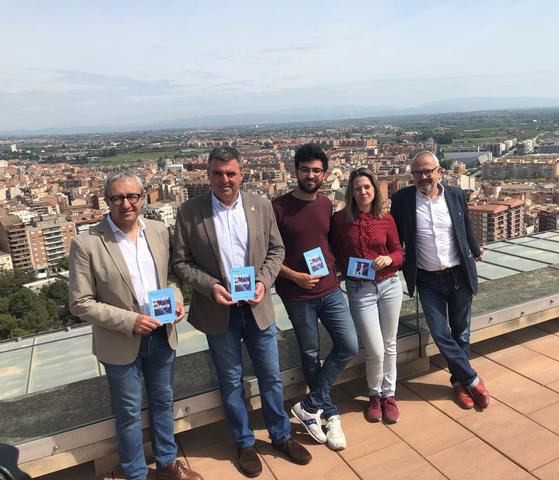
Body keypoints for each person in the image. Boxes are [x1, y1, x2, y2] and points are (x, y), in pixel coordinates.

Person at [172, 147, 311, 478]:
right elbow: (180, 262)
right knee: (231, 381)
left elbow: (276, 250)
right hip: (218, 309)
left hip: (256, 306)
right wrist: (210, 287)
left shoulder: (260, 205)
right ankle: (245, 443)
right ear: (208, 175)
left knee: (271, 376)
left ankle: (280, 436)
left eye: (231, 173)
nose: (225, 179)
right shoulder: (189, 212)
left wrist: (263, 281)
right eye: (218, 173)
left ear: (242, 175)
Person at [69, 171, 202, 480]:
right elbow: (80, 303)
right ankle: (136, 473)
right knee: (128, 412)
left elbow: (170, 277)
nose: (126, 204)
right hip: (120, 341)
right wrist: (131, 321)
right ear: (106, 201)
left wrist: (176, 300)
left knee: (163, 402)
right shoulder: (87, 243)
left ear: (143, 198)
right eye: (117, 197)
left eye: (132, 196)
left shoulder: (158, 230)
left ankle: (168, 463)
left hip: (162, 334)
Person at [272, 143, 359, 451]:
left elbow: (328, 243)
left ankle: (309, 405)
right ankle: (329, 413)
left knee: (349, 345)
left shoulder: (325, 204)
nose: (311, 175)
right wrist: (294, 276)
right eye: (305, 170)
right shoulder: (277, 208)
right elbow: (267, 255)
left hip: (330, 288)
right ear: (296, 171)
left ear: (325, 173)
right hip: (296, 294)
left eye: (317, 170)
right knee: (310, 355)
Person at [390, 151, 490, 410]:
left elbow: (465, 227)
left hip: (459, 274)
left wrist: (475, 249)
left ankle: (459, 383)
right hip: (427, 279)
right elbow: (394, 236)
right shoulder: (402, 200)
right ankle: (472, 379)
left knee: (462, 333)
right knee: (439, 332)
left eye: (427, 171)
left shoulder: (456, 195)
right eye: (417, 172)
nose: (423, 176)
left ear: (439, 172)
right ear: (412, 175)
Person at [329, 168, 404, 423]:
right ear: (351, 192)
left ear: (375, 190)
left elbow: (399, 253)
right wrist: (343, 269)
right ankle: (374, 394)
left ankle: (388, 395)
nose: (363, 192)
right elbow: (333, 250)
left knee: (390, 344)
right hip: (360, 290)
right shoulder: (340, 220)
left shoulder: (386, 218)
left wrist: (388, 259)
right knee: (375, 349)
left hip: (389, 285)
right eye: (358, 188)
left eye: (367, 187)